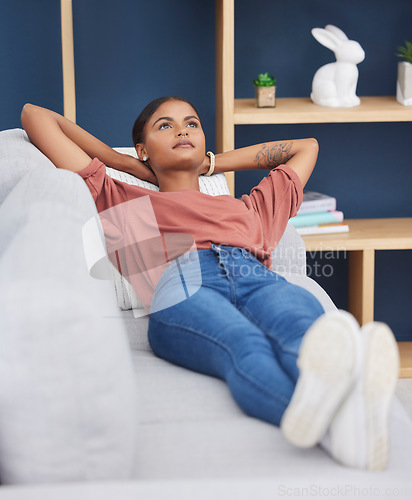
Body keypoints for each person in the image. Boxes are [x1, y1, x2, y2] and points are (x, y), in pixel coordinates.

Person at [20, 96, 399, 471]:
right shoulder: (121, 198)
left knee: (303, 331)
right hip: (183, 283)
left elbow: (306, 148)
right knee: (245, 344)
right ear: (143, 149)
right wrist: (123, 164)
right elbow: (35, 116)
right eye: (164, 125)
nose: (182, 130)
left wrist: (213, 163)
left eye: (191, 123)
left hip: (259, 278)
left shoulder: (250, 207)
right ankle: (343, 428)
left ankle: (342, 421)